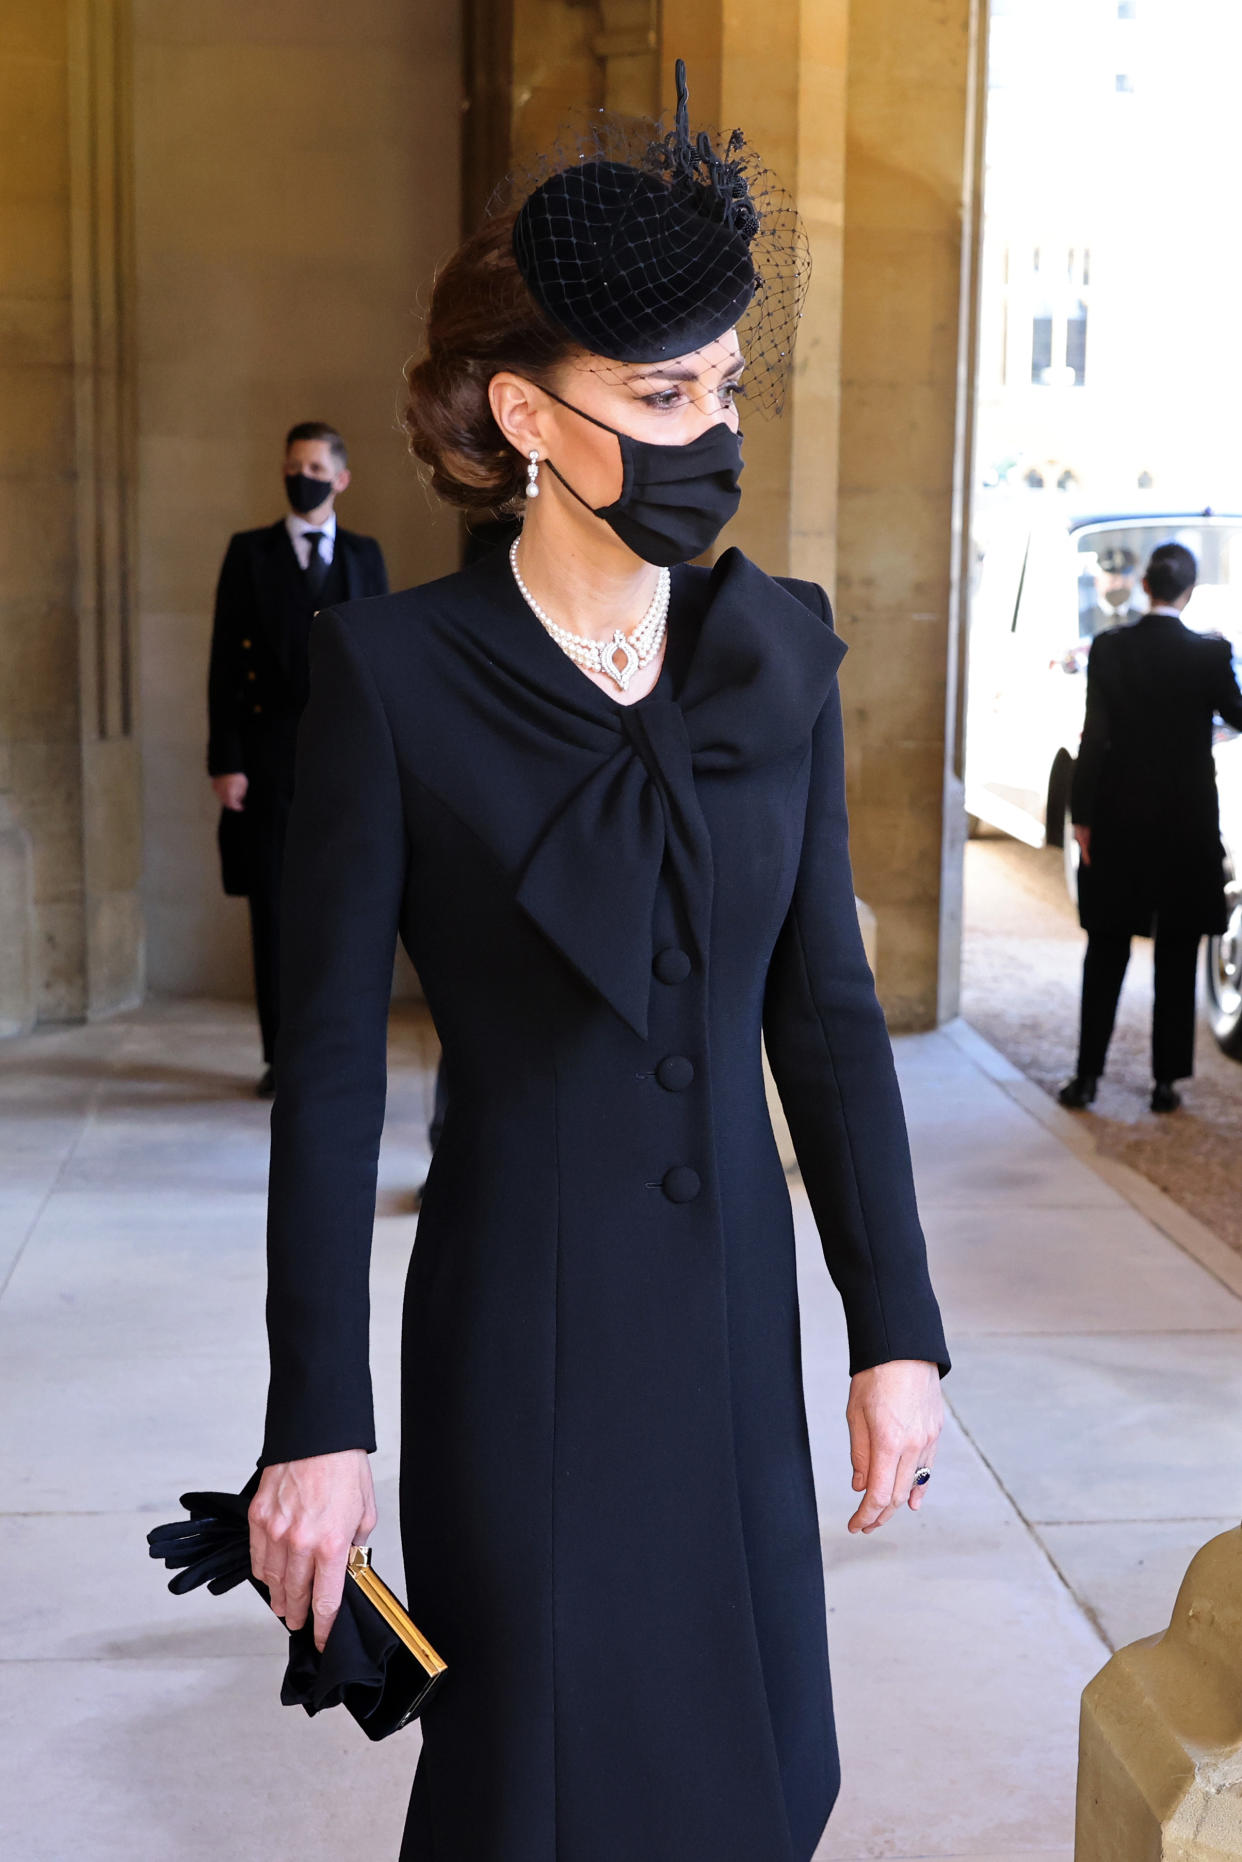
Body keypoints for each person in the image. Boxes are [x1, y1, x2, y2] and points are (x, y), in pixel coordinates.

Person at [247, 64, 949, 1862]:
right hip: (519, 1335)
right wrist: (315, 1418)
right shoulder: (392, 681)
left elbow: (827, 1014)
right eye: (660, 395)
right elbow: (328, 1075)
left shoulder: (773, 653)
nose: (709, 430)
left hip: (729, 1324)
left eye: (722, 387)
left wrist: (895, 1333)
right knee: (541, 1787)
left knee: (755, 1767)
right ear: (527, 416)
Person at [206, 422, 388, 1094]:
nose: (301, 474)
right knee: (277, 909)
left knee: (345, 910)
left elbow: (385, 667)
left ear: (340, 478)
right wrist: (226, 760)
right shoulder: (248, 553)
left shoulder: (366, 555)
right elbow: (225, 662)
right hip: (269, 758)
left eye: (314, 465)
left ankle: (332, 1053)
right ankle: (281, 1056)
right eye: (292, 464)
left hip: (348, 761)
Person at [1060, 542, 1242, 1113]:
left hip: (1120, 820)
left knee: (1107, 950)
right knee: (1179, 954)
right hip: (1187, 826)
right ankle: (1164, 1084)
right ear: (1188, 592)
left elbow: (1093, 740)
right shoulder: (1209, 656)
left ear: (1145, 586)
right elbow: (1239, 717)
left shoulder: (1111, 649)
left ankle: (1086, 1077)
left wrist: (1081, 817)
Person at [1079, 544, 1144, 640]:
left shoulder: (1142, 620)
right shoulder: (1081, 621)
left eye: (1125, 580)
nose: (1119, 585)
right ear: (1097, 582)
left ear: (1133, 581)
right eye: (1113, 580)